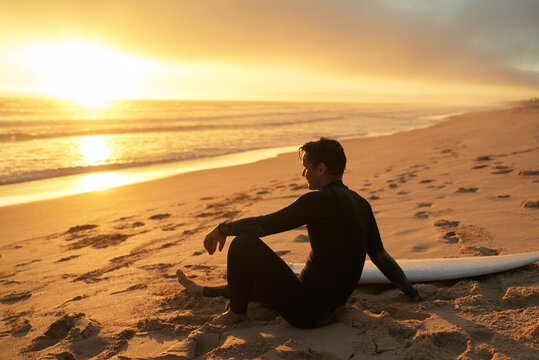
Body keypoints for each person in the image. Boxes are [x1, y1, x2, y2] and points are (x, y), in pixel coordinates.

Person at [177, 137, 437, 328]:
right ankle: (203, 291)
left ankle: (237, 314)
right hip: (333, 309)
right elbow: (380, 256)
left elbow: (265, 226)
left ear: (322, 168)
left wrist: (223, 229)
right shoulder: (361, 203)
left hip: (308, 312)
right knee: (256, 284)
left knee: (243, 244)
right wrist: (411, 291)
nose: (304, 173)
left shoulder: (318, 201)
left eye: (307, 166)